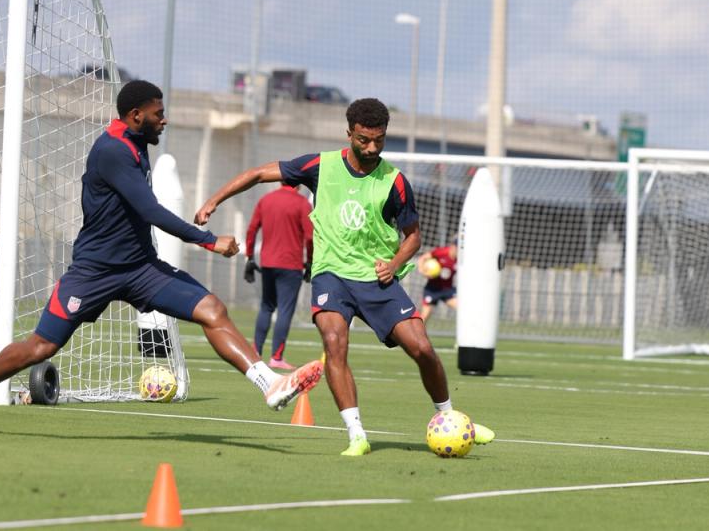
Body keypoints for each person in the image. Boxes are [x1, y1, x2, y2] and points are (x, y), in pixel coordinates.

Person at [0, 80, 323, 433]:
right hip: (94, 272)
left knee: (213, 310)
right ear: (136, 115)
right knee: (42, 346)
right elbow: (151, 211)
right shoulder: (112, 150)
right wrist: (209, 241)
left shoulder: (138, 143)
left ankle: (269, 383)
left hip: (142, 269)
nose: (165, 119)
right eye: (158, 113)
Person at [195, 98, 495, 456]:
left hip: (377, 280)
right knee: (335, 344)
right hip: (331, 276)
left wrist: (394, 262)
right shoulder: (319, 166)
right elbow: (260, 173)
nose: (371, 148)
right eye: (364, 140)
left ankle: (453, 420)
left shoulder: (395, 182)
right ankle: (357, 435)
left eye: (379, 140)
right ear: (349, 133)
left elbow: (413, 236)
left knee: (423, 349)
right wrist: (213, 201)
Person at [245, 184, 314, 370]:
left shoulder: (266, 200)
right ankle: (276, 357)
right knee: (285, 310)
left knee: (266, 307)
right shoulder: (302, 204)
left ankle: (255, 353)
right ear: (299, 184)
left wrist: (250, 258)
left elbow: (252, 229)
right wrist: (310, 262)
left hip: (268, 263)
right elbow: (309, 237)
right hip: (291, 265)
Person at [417, 243, 458, 321]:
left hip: (447, 290)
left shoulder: (461, 259)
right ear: (453, 246)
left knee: (463, 310)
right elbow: (423, 258)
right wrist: (423, 271)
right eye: (457, 247)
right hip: (432, 289)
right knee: (424, 317)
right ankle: (417, 332)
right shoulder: (442, 252)